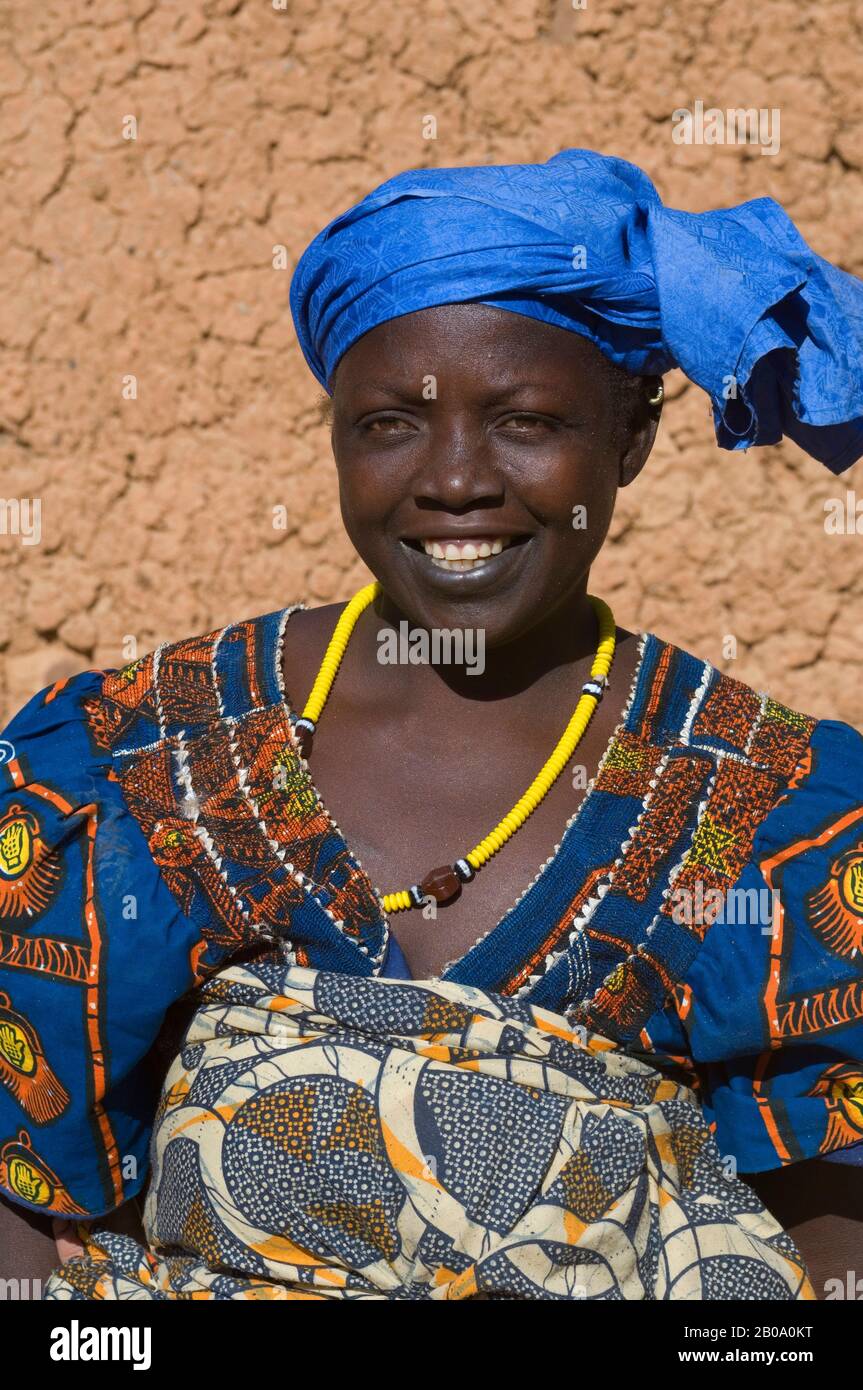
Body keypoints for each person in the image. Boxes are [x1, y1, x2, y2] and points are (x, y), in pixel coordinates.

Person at [1, 149, 862, 1300]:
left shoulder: (759, 810)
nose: (454, 479)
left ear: (631, 437)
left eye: (524, 421)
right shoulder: (145, 760)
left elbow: (829, 1256)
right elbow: (24, 1211)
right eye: (388, 425)